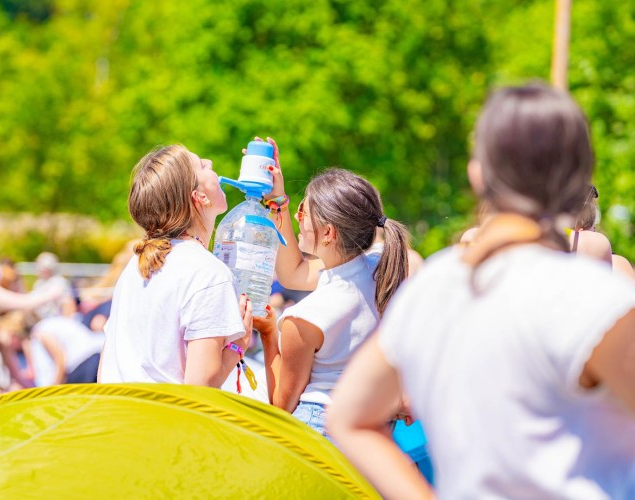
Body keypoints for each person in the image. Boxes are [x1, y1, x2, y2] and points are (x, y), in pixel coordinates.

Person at [327, 84, 635, 499]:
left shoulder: (434, 285)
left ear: (478, 174)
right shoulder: (596, 298)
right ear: (580, 176)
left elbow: (348, 417)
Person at [252, 140, 410, 430]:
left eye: (302, 213)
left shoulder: (305, 318)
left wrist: (267, 332)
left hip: (320, 429)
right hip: (374, 428)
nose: (297, 219)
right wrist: (279, 203)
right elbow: (293, 273)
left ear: (327, 232)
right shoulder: (383, 267)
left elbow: (281, 405)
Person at [98, 145, 252, 387]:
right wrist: (237, 345)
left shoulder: (135, 266)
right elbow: (200, 388)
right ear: (199, 197)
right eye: (202, 166)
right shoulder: (207, 272)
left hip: (116, 415)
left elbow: (108, 366)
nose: (210, 161)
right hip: (164, 421)